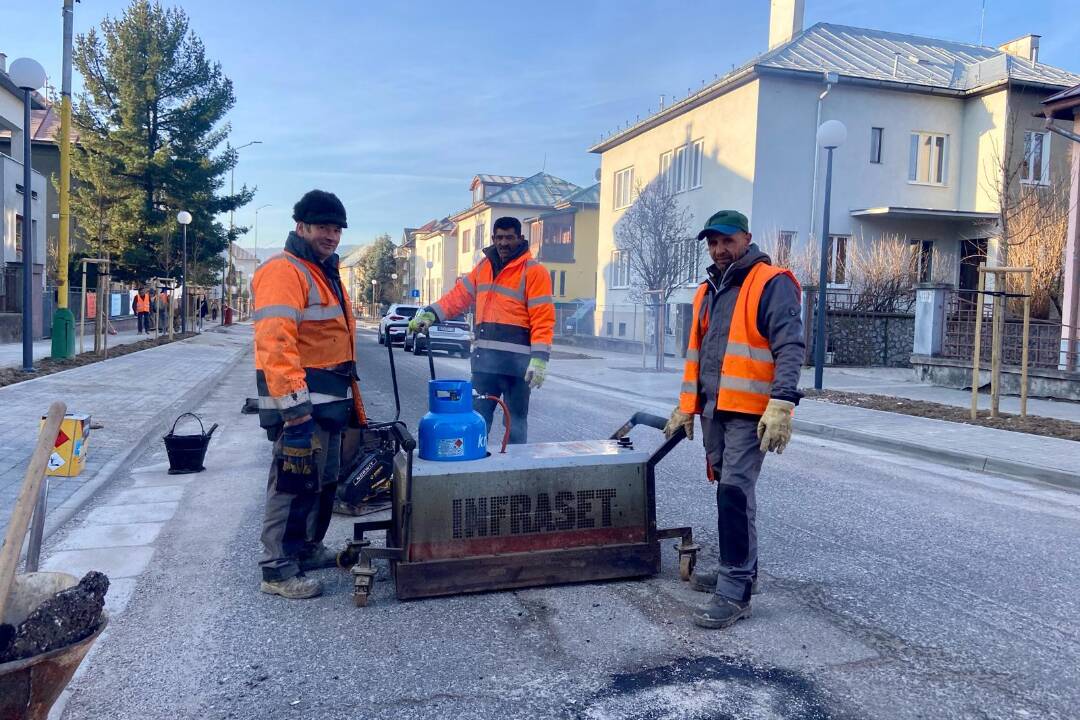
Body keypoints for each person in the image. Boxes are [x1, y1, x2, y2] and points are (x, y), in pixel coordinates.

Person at [663, 210, 804, 630]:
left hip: (750, 412)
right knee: (733, 496)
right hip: (715, 411)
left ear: (746, 238)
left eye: (727, 241)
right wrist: (686, 406)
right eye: (713, 243)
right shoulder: (708, 291)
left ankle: (735, 592)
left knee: (734, 496)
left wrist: (782, 403)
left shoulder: (771, 282)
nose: (720, 249)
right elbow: (699, 355)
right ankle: (742, 573)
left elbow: (791, 346)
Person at [251, 189, 366, 600]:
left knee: (323, 481)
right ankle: (277, 569)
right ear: (301, 227)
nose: (331, 236)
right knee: (291, 482)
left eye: (336, 229)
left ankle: (305, 549)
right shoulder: (286, 271)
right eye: (323, 228)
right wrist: (295, 412)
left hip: (329, 399)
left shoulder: (322, 270)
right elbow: (275, 343)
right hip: (302, 404)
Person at [409, 217, 553, 444]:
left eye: (509, 237)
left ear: (520, 239)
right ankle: (477, 466)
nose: (504, 243)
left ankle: (514, 468)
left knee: (515, 423)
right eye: (499, 237)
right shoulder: (483, 268)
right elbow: (457, 298)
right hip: (485, 364)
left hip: (518, 368)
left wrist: (540, 359)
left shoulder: (534, 272)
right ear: (493, 239)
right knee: (477, 418)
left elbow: (542, 317)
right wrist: (431, 314)